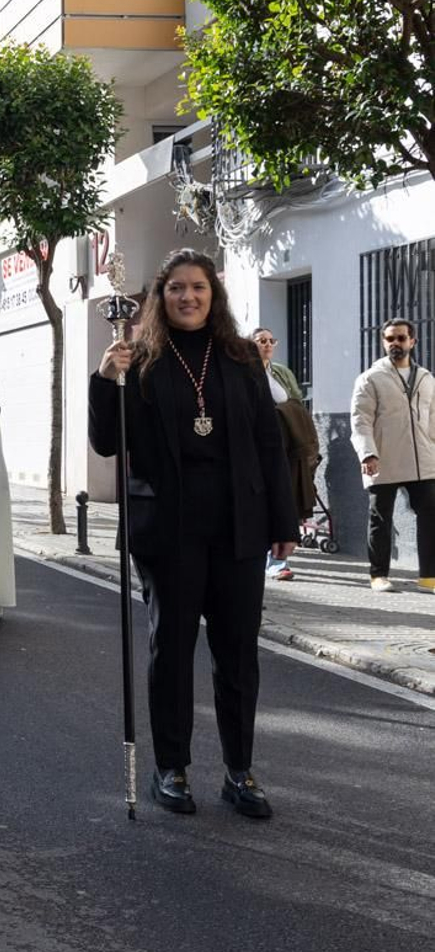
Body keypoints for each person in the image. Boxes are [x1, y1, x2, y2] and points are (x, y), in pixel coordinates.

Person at [90, 248, 297, 819]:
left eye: (199, 288)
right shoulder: (142, 359)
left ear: (214, 294)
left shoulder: (241, 358)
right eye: (177, 288)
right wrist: (107, 381)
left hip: (239, 527)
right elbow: (109, 441)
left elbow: (268, 446)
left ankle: (240, 770)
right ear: (161, 297)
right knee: (172, 650)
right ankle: (171, 768)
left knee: (238, 653)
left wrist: (284, 522)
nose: (188, 297)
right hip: (170, 530)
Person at [350, 317, 435, 593]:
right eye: (390, 339)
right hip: (383, 458)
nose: (395, 343)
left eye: (401, 338)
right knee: (381, 518)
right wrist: (367, 454)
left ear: (413, 341)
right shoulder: (370, 378)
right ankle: (378, 575)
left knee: (430, 515)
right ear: (383, 343)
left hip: (423, 460)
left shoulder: (426, 378)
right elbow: (360, 420)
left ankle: (429, 577)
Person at [252, 328, 318, 581]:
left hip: (286, 446)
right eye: (261, 341)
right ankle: (263, 557)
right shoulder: (243, 370)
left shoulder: (281, 372)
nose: (268, 345)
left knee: (285, 497)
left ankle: (277, 560)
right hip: (256, 447)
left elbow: (293, 401)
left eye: (271, 340)